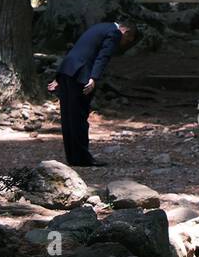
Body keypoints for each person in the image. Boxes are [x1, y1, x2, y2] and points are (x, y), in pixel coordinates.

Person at [47, 21, 138, 167]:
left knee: (68, 116)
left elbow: (79, 49)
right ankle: (82, 158)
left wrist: (59, 76)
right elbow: (103, 56)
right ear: (125, 31)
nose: (124, 44)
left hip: (68, 69)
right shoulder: (114, 33)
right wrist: (94, 78)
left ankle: (73, 157)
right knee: (79, 116)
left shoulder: (99, 27)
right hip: (81, 73)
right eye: (127, 40)